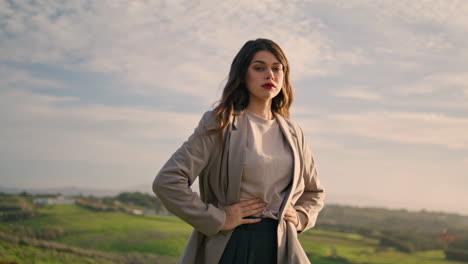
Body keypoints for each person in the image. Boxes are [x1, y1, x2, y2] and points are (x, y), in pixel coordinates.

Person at [153, 38, 325, 264]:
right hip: (232, 246)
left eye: (277, 68)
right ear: (243, 74)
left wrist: (302, 216)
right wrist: (218, 218)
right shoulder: (220, 123)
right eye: (259, 68)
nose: (270, 75)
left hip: (282, 249)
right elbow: (167, 181)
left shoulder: (294, 133)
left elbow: (314, 193)